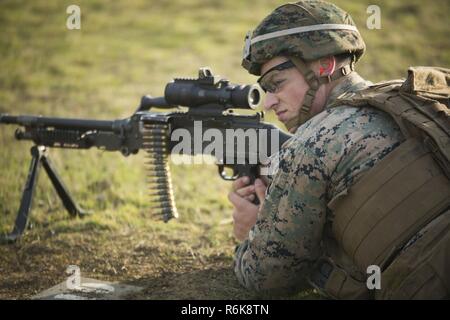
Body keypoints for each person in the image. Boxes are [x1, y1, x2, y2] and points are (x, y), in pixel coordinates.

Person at [228, 0, 450, 299]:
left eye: (276, 83)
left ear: (324, 66)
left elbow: (266, 278)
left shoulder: (312, 143)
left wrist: (249, 233)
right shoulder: (417, 100)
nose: (268, 102)